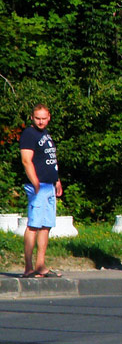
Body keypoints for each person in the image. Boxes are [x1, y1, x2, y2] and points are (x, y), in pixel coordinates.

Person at [19, 104, 63, 278]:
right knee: (34, 225)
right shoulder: (29, 134)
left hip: (49, 185)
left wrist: (57, 180)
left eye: (44, 118)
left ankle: (41, 266)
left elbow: (50, 160)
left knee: (46, 226)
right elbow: (26, 160)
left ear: (49, 117)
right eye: (38, 118)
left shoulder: (46, 134)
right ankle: (28, 267)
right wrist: (35, 182)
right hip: (38, 186)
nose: (41, 121)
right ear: (32, 117)